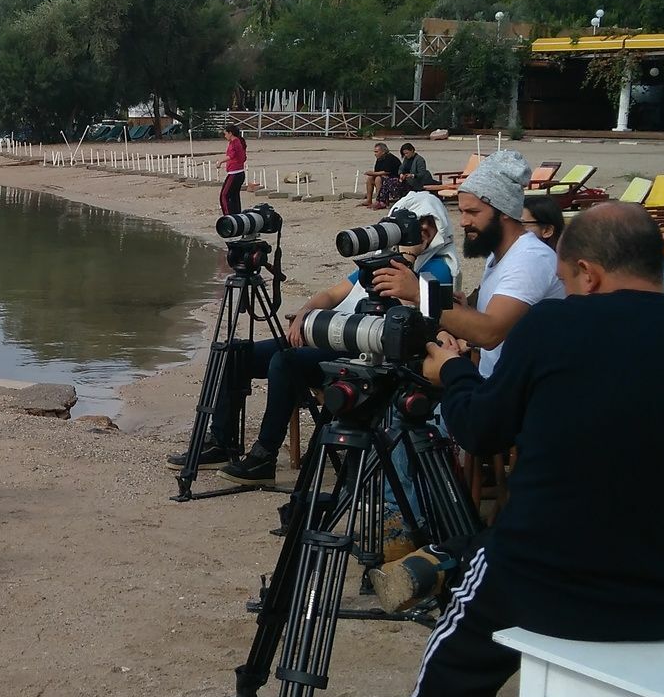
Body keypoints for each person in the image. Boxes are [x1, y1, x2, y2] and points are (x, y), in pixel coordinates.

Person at [372, 203, 664, 697]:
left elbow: (481, 430)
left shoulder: (554, 330)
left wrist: (451, 371)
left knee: (464, 627)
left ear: (588, 273)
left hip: (547, 586)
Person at [169, 192, 458, 483]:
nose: (411, 235)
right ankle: (221, 441)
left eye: (421, 229)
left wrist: (409, 257)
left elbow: (413, 321)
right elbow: (333, 294)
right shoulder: (383, 260)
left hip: (364, 352)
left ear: (436, 231)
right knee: (235, 354)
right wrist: (305, 314)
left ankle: (264, 456)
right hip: (330, 333)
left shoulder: (437, 269)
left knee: (284, 362)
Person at [372, 149, 563, 378]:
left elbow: (489, 333)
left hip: (521, 396)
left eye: (473, 212)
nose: (463, 222)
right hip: (497, 384)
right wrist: (468, 310)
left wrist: (418, 293)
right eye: (461, 211)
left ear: (504, 211)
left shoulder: (531, 259)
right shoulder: (501, 254)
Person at [364, 142, 403, 207]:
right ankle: (369, 200)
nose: (375, 154)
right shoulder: (379, 159)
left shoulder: (390, 158)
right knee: (370, 178)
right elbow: (378, 171)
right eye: (375, 152)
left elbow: (386, 172)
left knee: (378, 179)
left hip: (395, 179)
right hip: (386, 177)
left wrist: (372, 173)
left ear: (383, 151)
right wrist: (372, 174)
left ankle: (380, 200)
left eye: (377, 152)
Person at [221, 124, 248, 216]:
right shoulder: (240, 141)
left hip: (234, 173)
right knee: (234, 196)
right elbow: (244, 157)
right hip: (240, 172)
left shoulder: (234, 142)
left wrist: (220, 161)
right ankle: (237, 215)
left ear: (230, 133)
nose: (225, 136)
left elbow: (231, 155)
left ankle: (228, 217)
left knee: (224, 195)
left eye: (225, 134)